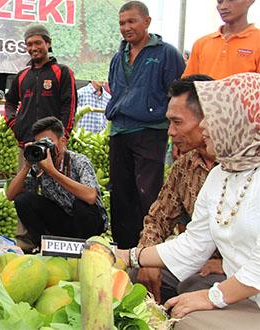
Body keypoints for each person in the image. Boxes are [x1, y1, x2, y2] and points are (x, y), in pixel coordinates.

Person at [116, 72, 260, 329]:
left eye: (214, 118)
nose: (205, 127)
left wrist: (212, 297)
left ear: (241, 121)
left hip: (243, 290)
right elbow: (194, 244)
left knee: (189, 320)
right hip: (246, 295)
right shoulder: (220, 175)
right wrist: (128, 256)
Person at [133, 75, 226, 304]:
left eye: (178, 122)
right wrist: (147, 256)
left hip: (238, 273)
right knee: (135, 278)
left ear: (206, 119)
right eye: (169, 122)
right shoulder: (184, 166)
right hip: (191, 260)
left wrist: (227, 264)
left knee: (190, 287)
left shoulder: (238, 166)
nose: (170, 132)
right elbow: (158, 218)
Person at [105, 1, 186, 248]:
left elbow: (178, 95)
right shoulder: (118, 57)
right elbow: (114, 89)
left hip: (151, 132)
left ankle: (148, 249)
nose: (126, 27)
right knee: (120, 195)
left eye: (132, 21)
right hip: (119, 130)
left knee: (147, 194)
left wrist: (177, 132)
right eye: (122, 23)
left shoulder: (166, 53)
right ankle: (123, 249)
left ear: (147, 22)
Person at [5, 116, 106, 251]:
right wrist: (27, 165)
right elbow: (11, 195)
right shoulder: (39, 164)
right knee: (23, 200)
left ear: (63, 141)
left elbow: (91, 196)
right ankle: (44, 246)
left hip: (88, 222)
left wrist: (53, 172)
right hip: (62, 220)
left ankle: (84, 250)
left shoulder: (78, 161)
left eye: (49, 142)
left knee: (81, 205)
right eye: (40, 144)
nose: (46, 148)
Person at [4, 24, 77, 144]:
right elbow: (9, 101)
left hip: (53, 142)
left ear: (48, 44)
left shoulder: (62, 72)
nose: (34, 48)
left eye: (38, 43)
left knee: (51, 164)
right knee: (25, 164)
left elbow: (69, 106)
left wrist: (62, 136)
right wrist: (15, 124)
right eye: (29, 44)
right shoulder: (22, 76)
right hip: (26, 142)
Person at [183, 0, 259, 79]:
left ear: (249, 1)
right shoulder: (201, 44)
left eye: (231, 0)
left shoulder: (257, 41)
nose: (223, 7)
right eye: (219, 2)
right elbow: (187, 86)